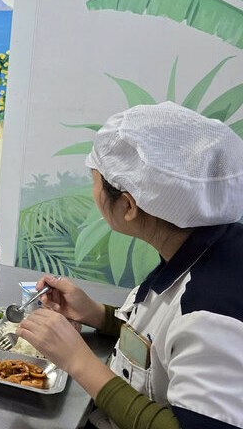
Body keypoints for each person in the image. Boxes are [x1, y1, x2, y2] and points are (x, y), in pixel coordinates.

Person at [17, 102, 243, 429]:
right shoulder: (205, 248)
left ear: (128, 206)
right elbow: (164, 342)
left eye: (94, 179)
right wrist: (98, 315)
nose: (93, 192)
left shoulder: (210, 309)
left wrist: (78, 360)